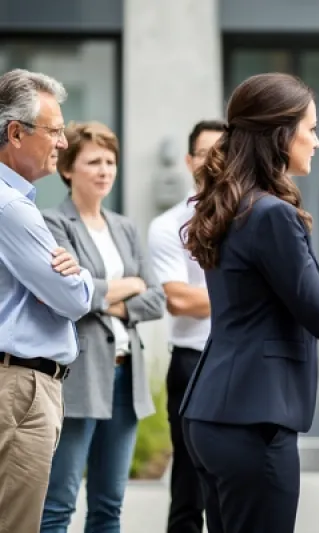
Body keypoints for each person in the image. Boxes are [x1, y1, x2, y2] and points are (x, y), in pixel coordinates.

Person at [179, 73, 319, 533]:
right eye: (311, 129)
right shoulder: (271, 214)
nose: (317, 141)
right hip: (252, 423)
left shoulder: (234, 203)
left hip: (211, 415)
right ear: (281, 133)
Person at [40, 121, 166, 532]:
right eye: (93, 161)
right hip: (78, 378)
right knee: (59, 504)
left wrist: (103, 296)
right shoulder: (54, 223)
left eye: (110, 161)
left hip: (125, 377)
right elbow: (67, 294)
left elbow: (157, 299)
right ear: (67, 169)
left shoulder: (125, 228)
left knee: (109, 506)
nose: (104, 170)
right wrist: (126, 286)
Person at [0, 69, 94, 533]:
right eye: (55, 131)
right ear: (15, 133)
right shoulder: (12, 207)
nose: (62, 142)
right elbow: (73, 299)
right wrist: (89, 281)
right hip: (19, 389)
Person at [148, 119, 224, 533]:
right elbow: (178, 300)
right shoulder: (168, 226)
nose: (213, 160)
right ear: (188, 160)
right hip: (193, 362)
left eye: (222, 151)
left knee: (236, 480)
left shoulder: (251, 217)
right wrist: (250, 298)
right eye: (204, 152)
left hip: (242, 359)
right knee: (190, 482)